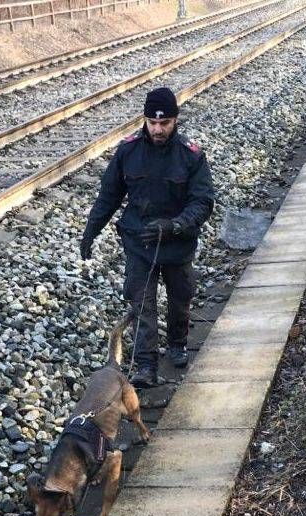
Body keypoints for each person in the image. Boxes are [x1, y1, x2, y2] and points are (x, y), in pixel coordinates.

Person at [80, 87, 215, 387]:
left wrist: (176, 225)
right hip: (139, 242)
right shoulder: (128, 152)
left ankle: (178, 343)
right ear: (145, 120)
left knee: (180, 297)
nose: (157, 129)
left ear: (175, 120)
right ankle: (145, 364)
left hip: (177, 243)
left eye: (164, 123)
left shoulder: (190, 156)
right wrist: (91, 231)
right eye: (152, 123)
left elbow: (203, 201)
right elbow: (109, 195)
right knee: (142, 304)